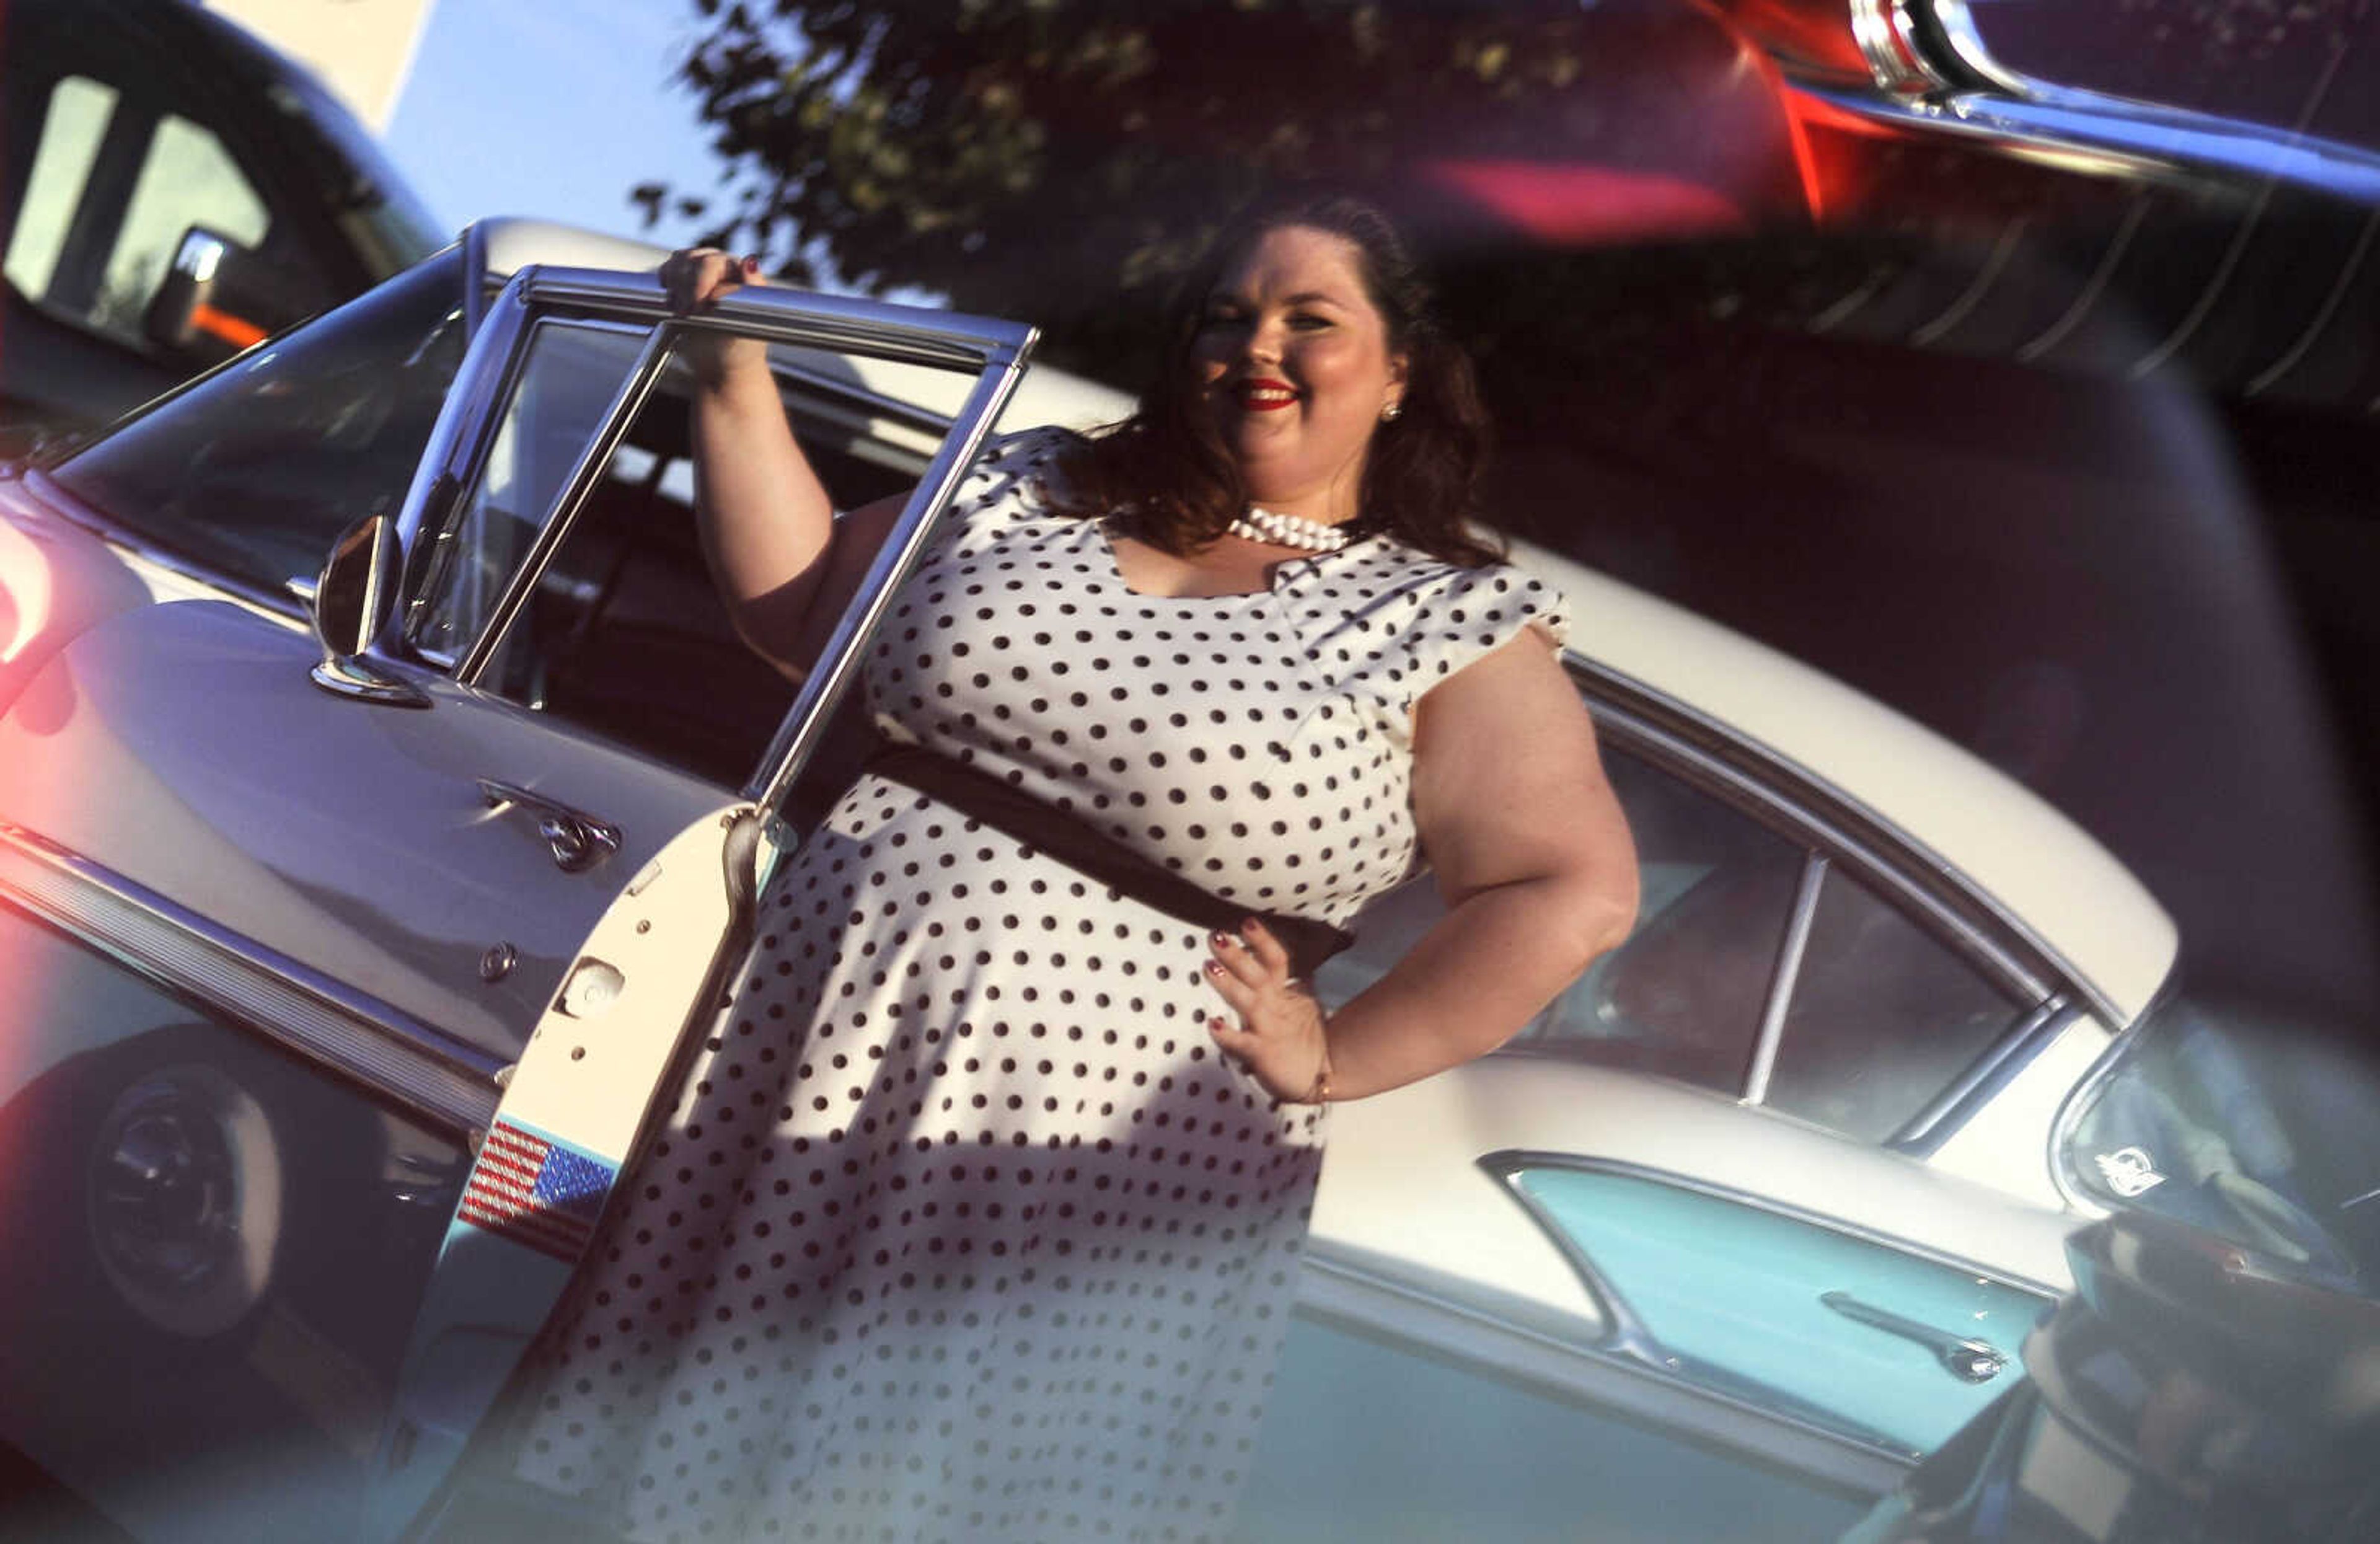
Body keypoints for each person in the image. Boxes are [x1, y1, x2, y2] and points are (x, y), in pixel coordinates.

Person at [496, 193, 1639, 1543]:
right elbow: (803, 612)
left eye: (1309, 321)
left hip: (1084, 1149)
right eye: (1228, 313)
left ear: (1398, 375)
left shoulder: (1439, 613)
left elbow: (1571, 886)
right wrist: (730, 375)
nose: (1256, 343)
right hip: (815, 1054)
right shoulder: (1042, 482)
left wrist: (1336, 1054)